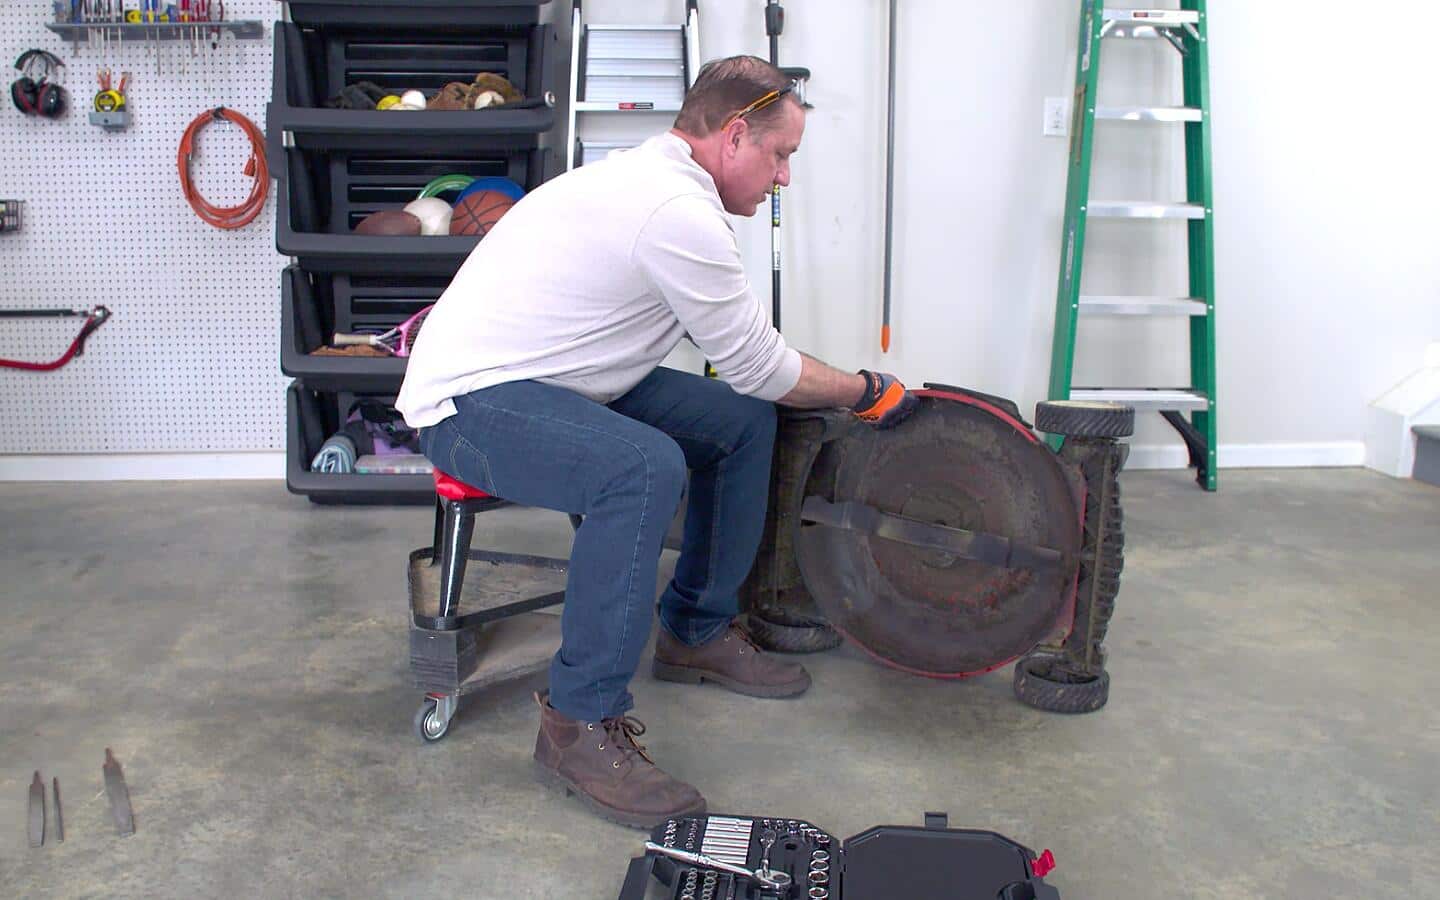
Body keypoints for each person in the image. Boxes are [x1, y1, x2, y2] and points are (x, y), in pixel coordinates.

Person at [396, 55, 915, 827]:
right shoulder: (674, 210)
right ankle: (577, 723)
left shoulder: (655, 181)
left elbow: (749, 386)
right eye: (781, 156)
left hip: (567, 375)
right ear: (735, 136)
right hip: (469, 402)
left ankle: (696, 630)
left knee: (742, 422)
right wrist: (867, 390)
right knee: (641, 467)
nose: (783, 179)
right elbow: (758, 363)